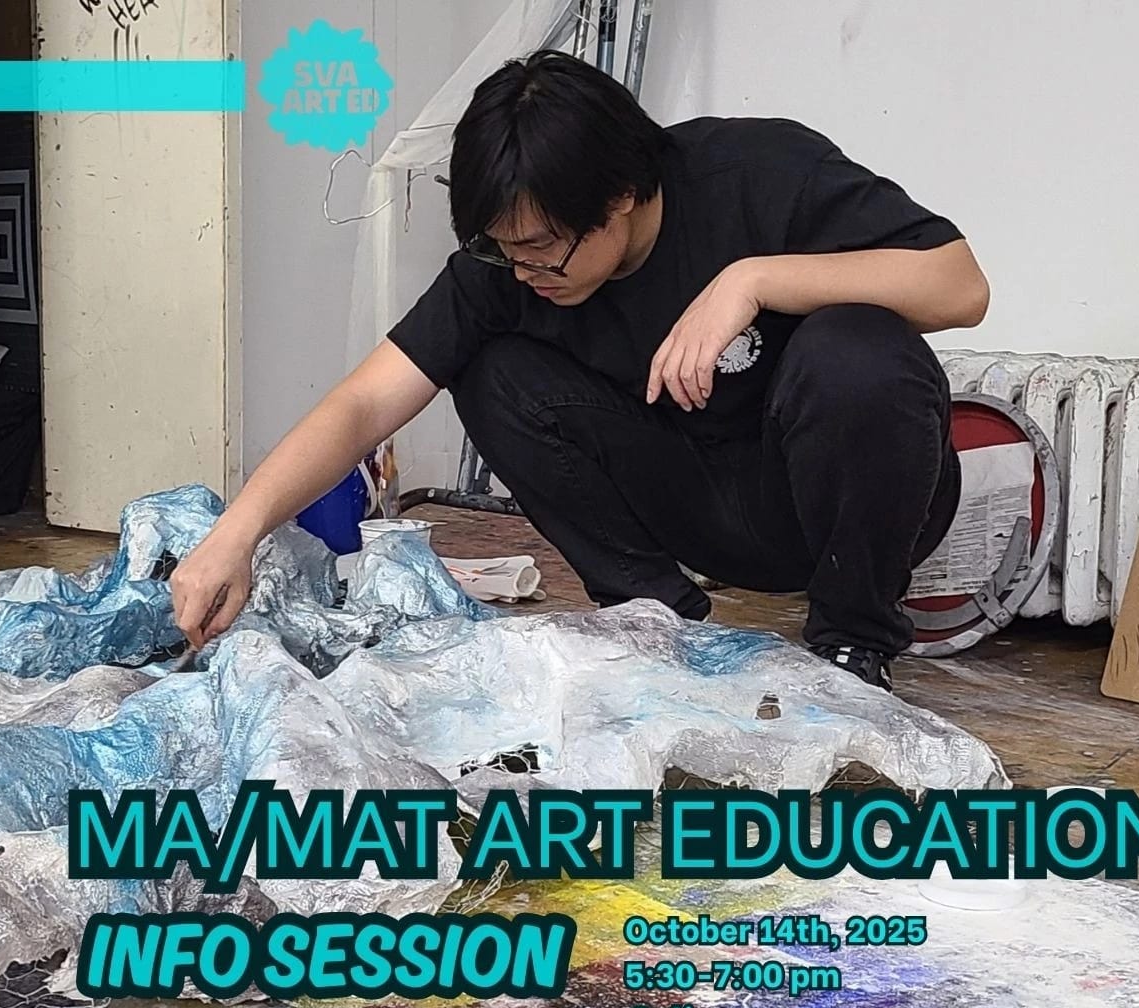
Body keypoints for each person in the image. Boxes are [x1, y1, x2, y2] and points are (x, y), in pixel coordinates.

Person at [169, 51, 990, 691]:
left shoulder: (760, 173)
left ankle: (853, 643)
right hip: (700, 506)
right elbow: (363, 405)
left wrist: (754, 280)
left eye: (542, 246)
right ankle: (656, 621)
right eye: (502, 246)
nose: (525, 268)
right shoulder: (507, 265)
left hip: (839, 505)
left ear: (625, 192)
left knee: (857, 348)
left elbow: (961, 285)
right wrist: (234, 536)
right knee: (486, 368)